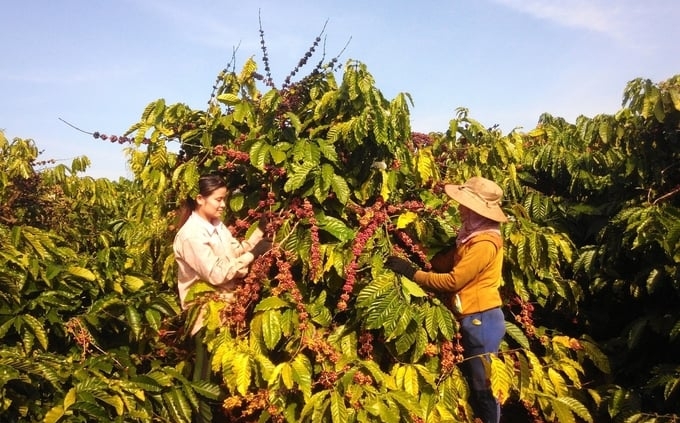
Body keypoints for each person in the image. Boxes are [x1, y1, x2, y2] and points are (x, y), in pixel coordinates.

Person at [385, 176, 508, 423]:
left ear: (478, 211)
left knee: (484, 391)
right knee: (474, 388)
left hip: (482, 320)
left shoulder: (484, 243)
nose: (460, 209)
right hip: (472, 318)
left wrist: (413, 273)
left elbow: (453, 281)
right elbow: (445, 263)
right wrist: (416, 255)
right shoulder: (470, 237)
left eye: (466, 206)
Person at [172, 174, 272, 422]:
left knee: (222, 378)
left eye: (224, 199)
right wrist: (253, 256)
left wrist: (259, 231)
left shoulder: (217, 225)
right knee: (204, 379)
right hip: (206, 316)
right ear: (199, 199)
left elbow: (233, 252)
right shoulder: (192, 235)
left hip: (226, 310)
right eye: (218, 199)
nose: (222, 205)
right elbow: (217, 273)